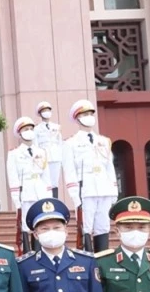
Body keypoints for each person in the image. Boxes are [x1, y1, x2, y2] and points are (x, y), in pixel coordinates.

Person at [63, 99, 118, 252]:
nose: (89, 117)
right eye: (85, 114)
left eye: (90, 113)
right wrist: (75, 195)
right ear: (77, 118)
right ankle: (87, 261)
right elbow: (69, 171)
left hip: (104, 189)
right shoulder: (70, 143)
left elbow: (109, 167)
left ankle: (102, 261)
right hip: (85, 191)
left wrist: (113, 190)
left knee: (103, 226)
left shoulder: (104, 141)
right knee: (86, 227)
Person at [7, 116, 52, 252]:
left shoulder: (41, 152)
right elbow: (13, 177)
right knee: (26, 227)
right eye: (26, 129)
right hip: (25, 192)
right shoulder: (14, 154)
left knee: (40, 223)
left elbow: (46, 176)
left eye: (31, 128)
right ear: (20, 133)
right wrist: (17, 200)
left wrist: (48, 196)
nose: (30, 131)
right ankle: (27, 254)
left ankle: (40, 252)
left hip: (40, 191)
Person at [32, 101, 64, 196]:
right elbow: (35, 145)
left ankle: (55, 201)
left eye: (48, 110)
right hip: (43, 159)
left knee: (54, 182)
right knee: (45, 182)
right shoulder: (36, 129)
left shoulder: (56, 127)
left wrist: (61, 157)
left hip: (56, 157)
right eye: (44, 110)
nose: (47, 112)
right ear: (40, 113)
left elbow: (60, 142)